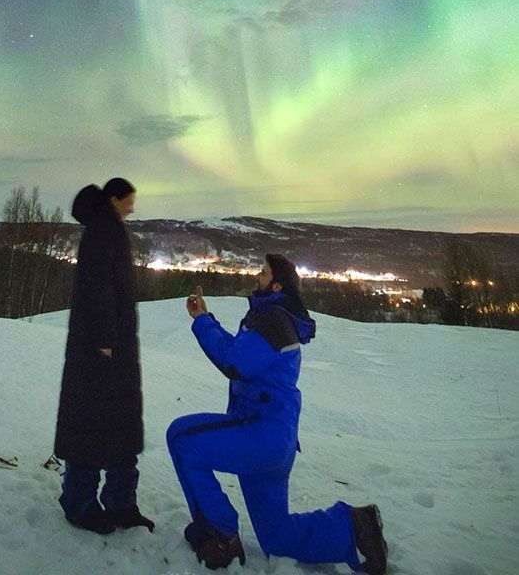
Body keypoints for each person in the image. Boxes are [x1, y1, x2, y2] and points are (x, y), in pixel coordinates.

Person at [166, 254, 388, 573]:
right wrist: (206, 319)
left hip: (259, 434)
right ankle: (354, 528)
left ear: (277, 284)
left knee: (182, 439)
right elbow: (242, 355)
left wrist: (202, 323)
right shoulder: (276, 317)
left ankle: (220, 537)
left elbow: (235, 363)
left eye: (263, 272)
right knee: (276, 536)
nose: (257, 276)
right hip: (275, 441)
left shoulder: (271, 318)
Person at [54, 178, 154, 535]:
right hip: (100, 348)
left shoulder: (109, 228)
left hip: (116, 346)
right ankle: (79, 503)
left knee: (120, 422)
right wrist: (105, 338)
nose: (133, 206)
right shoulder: (102, 230)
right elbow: (97, 286)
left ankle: (121, 502)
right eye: (130, 199)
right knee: (91, 422)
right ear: (114, 199)